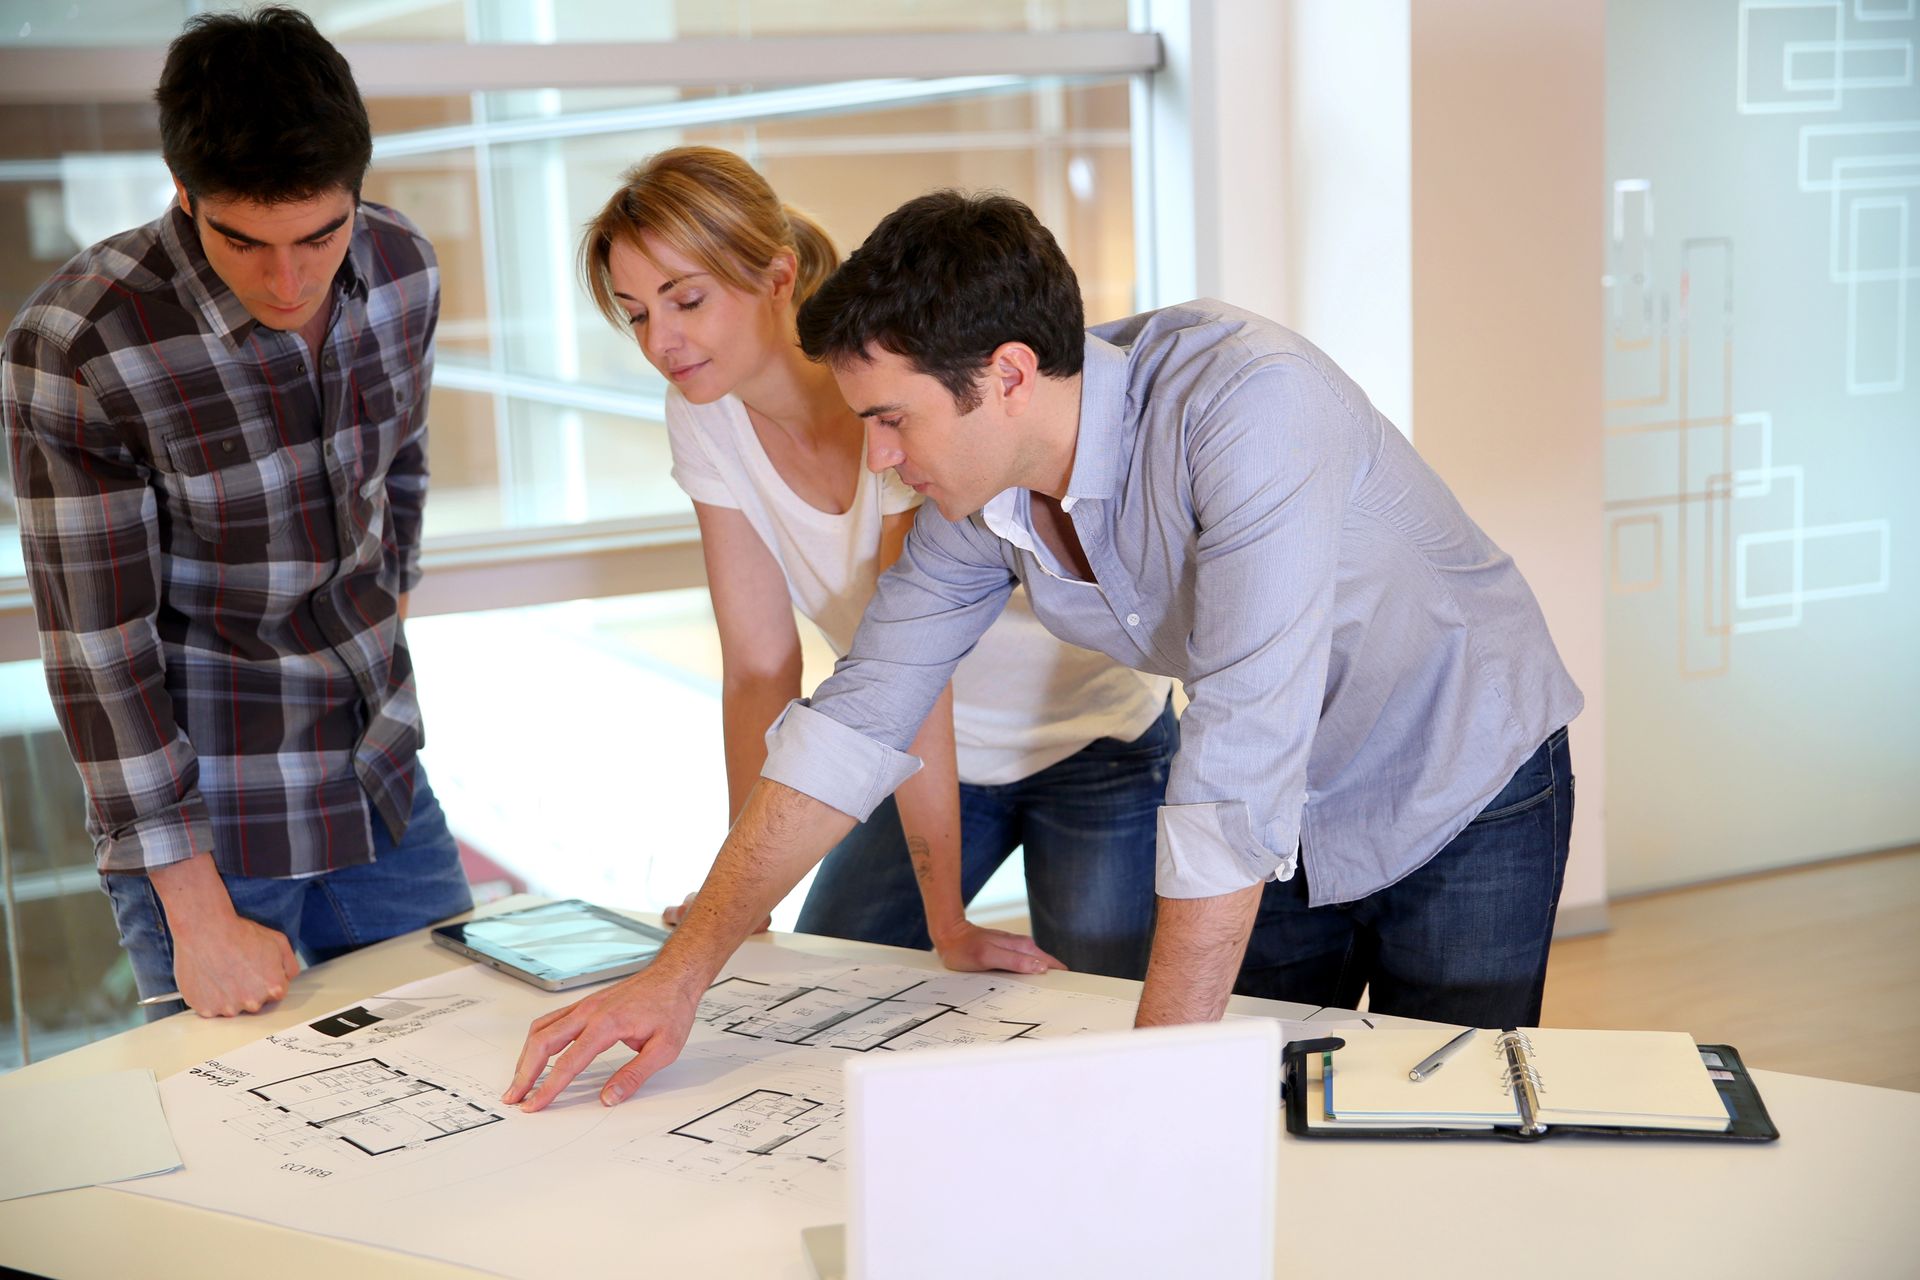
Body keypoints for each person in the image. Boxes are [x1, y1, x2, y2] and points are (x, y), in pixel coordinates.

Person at [506, 191, 1582, 1112]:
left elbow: (1236, 751)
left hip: (1459, 766)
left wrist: (1143, 1106)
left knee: (1448, 1107)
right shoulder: (981, 498)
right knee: (1271, 1097)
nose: (879, 459)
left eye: (892, 421)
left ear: (1008, 373)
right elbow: (860, 715)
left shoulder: (1249, 406)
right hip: (1291, 800)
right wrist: (683, 969)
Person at [578, 147, 1174, 979]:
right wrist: (742, 902)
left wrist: (948, 924)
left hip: (1088, 741)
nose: (662, 341)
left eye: (687, 299)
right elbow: (758, 666)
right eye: (636, 313)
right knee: (831, 972)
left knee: (1096, 1015)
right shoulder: (703, 415)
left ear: (777, 275)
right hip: (903, 753)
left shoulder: (887, 397)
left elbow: (915, 666)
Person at [1, 7, 470, 1020]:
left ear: (358, 187)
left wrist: (379, 618)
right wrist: (198, 916)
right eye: (245, 241)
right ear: (182, 188)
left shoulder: (402, 268)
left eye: (320, 233)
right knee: (243, 1149)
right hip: (211, 832)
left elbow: (402, 481)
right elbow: (99, 648)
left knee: (476, 1081)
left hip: (382, 786)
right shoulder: (80, 344)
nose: (289, 279)